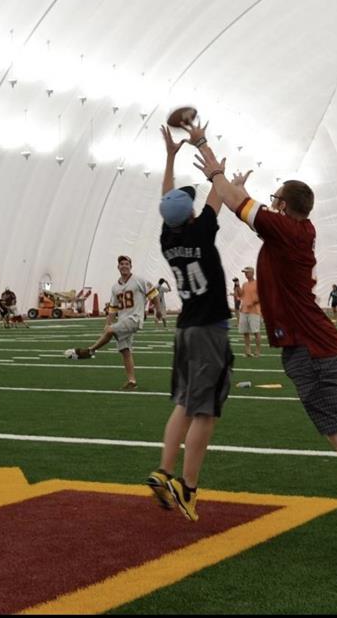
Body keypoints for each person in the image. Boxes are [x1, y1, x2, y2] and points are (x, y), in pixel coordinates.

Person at [193, 145, 337, 565]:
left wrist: (211, 163)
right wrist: (235, 189)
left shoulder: (286, 230)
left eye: (275, 200)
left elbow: (236, 204)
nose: (270, 205)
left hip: (310, 346)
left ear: (285, 207)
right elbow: (241, 204)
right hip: (313, 343)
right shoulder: (292, 231)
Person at [146, 121, 233, 523]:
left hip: (184, 330)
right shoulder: (201, 232)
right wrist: (207, 151)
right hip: (208, 329)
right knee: (205, 411)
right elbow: (218, 191)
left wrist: (169, 158)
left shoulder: (169, 238)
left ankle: (164, 471)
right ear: (191, 214)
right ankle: (188, 485)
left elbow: (169, 200)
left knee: (184, 403)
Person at [64, 256, 162, 390]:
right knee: (125, 350)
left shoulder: (139, 280)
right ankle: (132, 381)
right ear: (118, 267)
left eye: (127, 264)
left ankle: (91, 350)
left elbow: (153, 294)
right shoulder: (115, 287)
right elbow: (113, 308)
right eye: (122, 264)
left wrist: (158, 311)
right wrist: (108, 322)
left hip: (134, 319)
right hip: (123, 320)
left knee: (110, 331)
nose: (124, 266)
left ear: (131, 266)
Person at [235, 266, 262, 357]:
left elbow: (262, 296)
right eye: (245, 273)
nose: (245, 274)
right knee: (245, 332)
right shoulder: (244, 284)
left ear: (252, 273)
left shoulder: (258, 283)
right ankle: (248, 351)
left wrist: (253, 303)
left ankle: (257, 351)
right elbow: (240, 295)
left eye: (247, 272)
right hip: (244, 310)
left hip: (254, 311)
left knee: (256, 332)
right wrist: (237, 285)